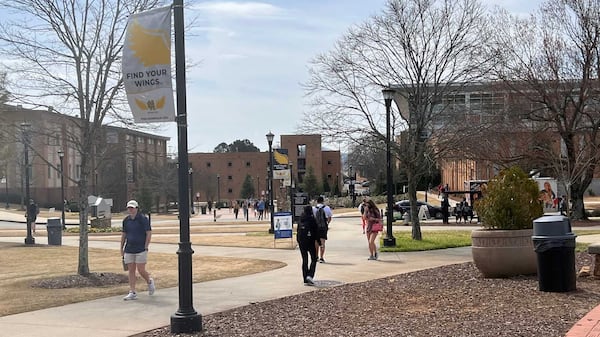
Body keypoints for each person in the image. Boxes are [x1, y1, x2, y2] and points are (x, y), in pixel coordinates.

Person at [121, 200, 155, 301]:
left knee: (141, 269)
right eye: (129, 208)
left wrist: (146, 246)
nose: (131, 210)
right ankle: (132, 291)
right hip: (129, 248)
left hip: (140, 248)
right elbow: (124, 234)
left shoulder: (143, 219)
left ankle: (149, 281)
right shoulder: (126, 220)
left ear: (136, 208)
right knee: (131, 270)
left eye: (132, 208)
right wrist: (121, 247)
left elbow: (148, 232)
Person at [297, 205, 320, 286]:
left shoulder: (301, 219)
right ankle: (310, 275)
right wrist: (318, 242)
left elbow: (298, 231)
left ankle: (305, 278)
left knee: (305, 260)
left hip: (301, 242)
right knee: (314, 259)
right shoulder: (312, 219)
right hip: (310, 242)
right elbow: (316, 232)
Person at [313, 196, 332, 263]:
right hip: (323, 227)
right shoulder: (327, 208)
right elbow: (329, 218)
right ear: (323, 201)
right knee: (322, 242)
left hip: (316, 228)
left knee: (316, 243)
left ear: (316, 201)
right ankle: (321, 257)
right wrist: (327, 224)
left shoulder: (314, 208)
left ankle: (316, 257)